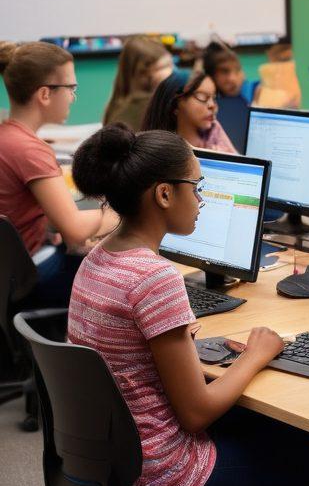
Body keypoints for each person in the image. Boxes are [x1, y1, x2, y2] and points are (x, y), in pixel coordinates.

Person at [67, 125, 309, 486]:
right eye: (197, 187)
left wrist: (179, 341)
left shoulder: (100, 259)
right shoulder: (155, 278)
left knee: (275, 429)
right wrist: (256, 354)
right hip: (161, 471)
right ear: (164, 194)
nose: (202, 199)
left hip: (109, 457)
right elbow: (198, 413)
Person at [0, 41, 118, 308]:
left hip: (8, 280)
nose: (73, 97)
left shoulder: (6, 137)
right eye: (71, 88)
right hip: (26, 284)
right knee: (109, 268)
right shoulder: (31, 150)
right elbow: (75, 231)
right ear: (44, 94)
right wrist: (115, 209)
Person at [141, 70, 237, 153]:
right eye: (203, 97)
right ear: (175, 104)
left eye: (214, 98)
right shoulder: (157, 153)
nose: (212, 106)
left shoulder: (215, 132)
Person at [103, 36, 174, 131]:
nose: (171, 72)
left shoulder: (119, 106)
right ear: (143, 74)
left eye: (170, 65)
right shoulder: (142, 110)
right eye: (164, 67)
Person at [203, 42, 256, 151]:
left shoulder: (253, 96)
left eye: (237, 70)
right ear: (211, 76)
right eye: (224, 72)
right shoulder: (207, 111)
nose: (232, 78)